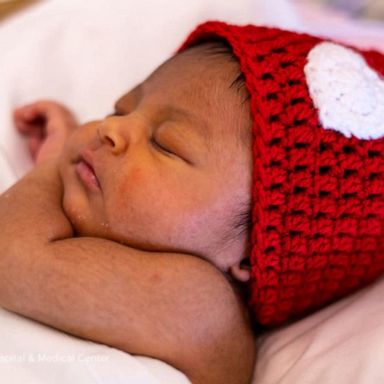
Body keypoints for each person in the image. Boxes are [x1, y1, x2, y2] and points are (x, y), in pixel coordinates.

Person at [1, 21, 384, 384]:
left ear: (253, 254)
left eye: (165, 145)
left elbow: (9, 255)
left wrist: (54, 163)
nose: (111, 128)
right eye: (121, 109)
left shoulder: (204, 307)